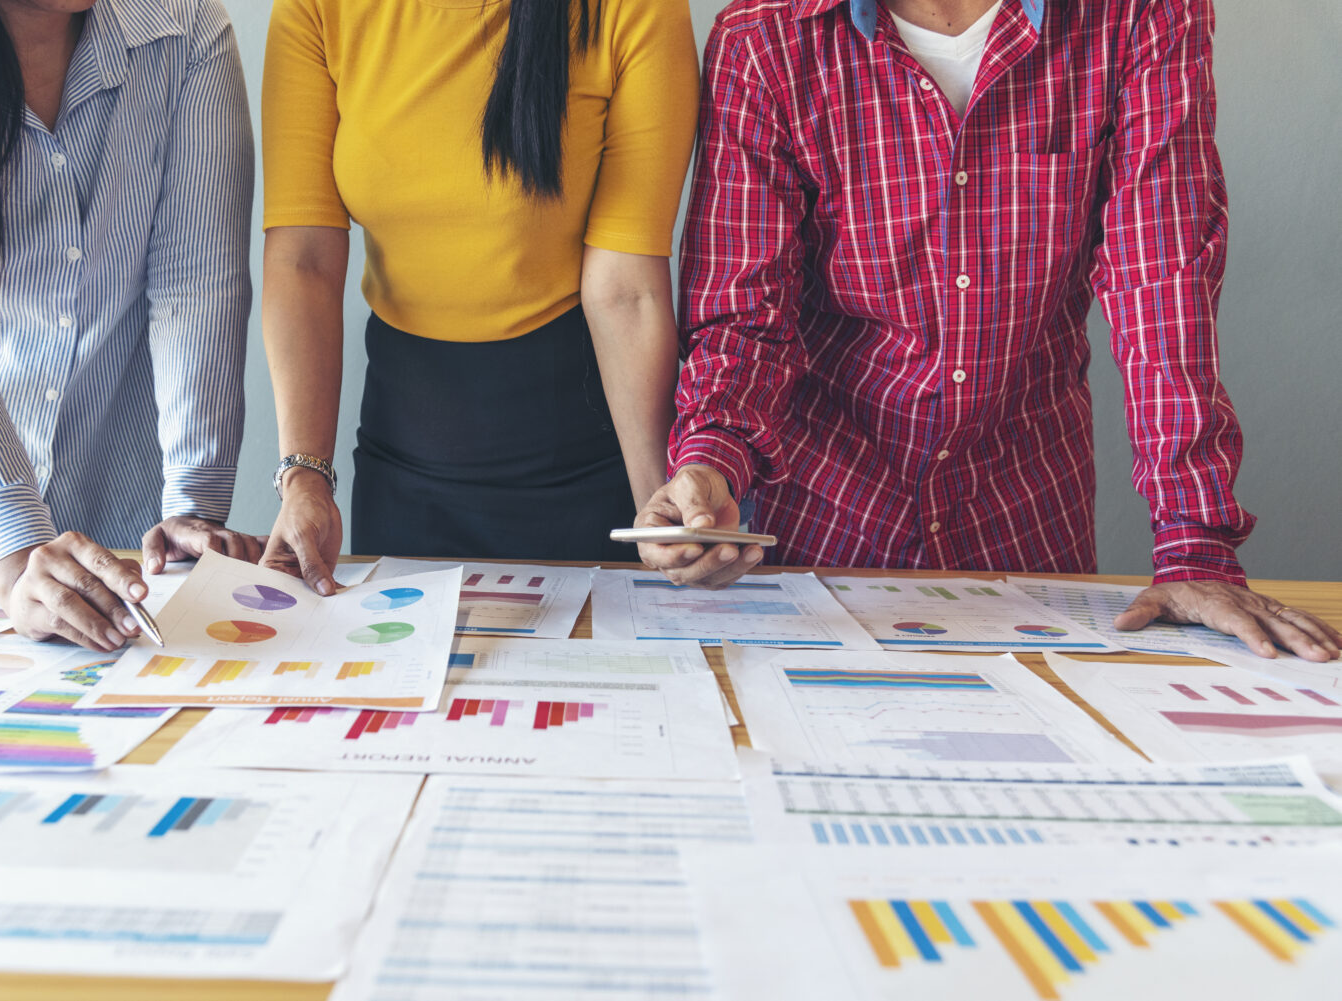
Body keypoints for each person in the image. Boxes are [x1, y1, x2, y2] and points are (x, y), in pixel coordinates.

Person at [635, 0, 1341, 663]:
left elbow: (1163, 286)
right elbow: (745, 319)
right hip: (818, 530)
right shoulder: (765, 36)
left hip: (1024, 520)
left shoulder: (1140, 14)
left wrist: (1195, 546)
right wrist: (711, 461)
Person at [0, 0, 259, 651]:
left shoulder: (184, 26)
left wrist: (192, 505)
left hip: (114, 540)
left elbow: (197, 281)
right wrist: (15, 553)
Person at [258, 0, 698, 592]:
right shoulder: (318, 10)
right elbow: (303, 260)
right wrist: (304, 478)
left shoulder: (635, 10)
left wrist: (658, 510)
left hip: (586, 464)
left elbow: (626, 288)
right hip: (403, 461)